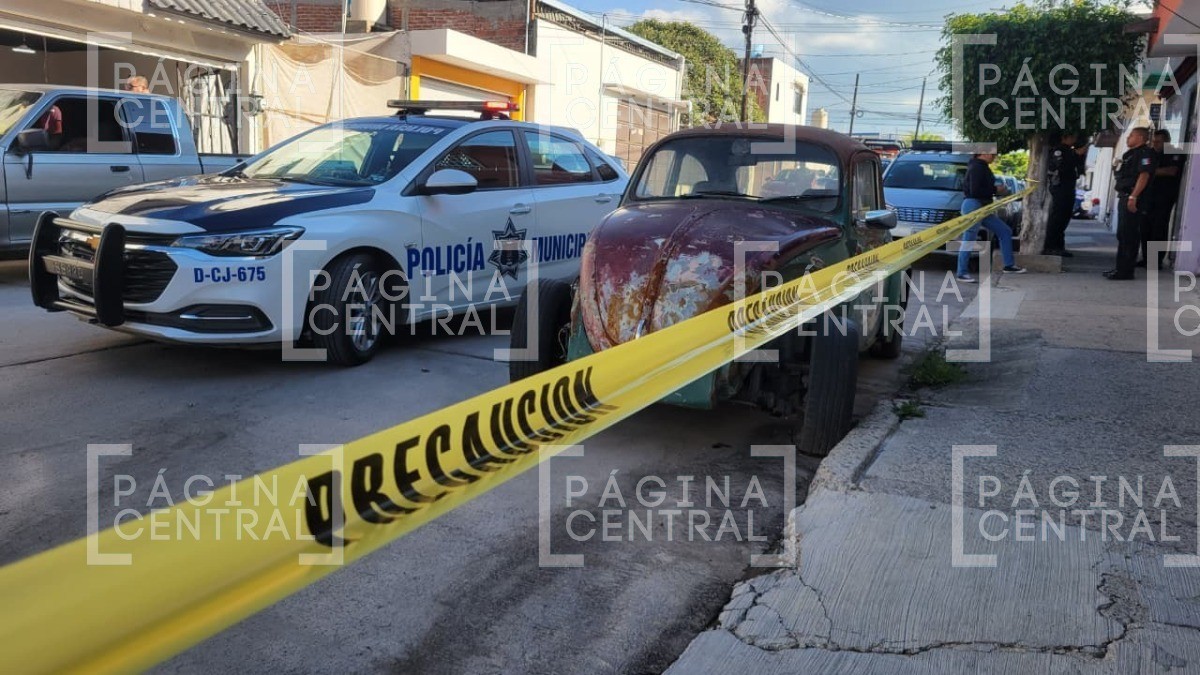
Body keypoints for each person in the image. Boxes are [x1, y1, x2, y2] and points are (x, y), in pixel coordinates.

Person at [956, 151, 1026, 282]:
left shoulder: (981, 167)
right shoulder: (977, 167)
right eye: (992, 154)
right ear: (982, 153)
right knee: (969, 237)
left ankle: (1009, 265)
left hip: (982, 205)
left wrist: (996, 190)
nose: (994, 157)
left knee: (1005, 231)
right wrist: (996, 190)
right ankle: (962, 272)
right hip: (974, 205)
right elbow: (975, 190)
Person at [1106, 127, 1157, 280]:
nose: (1128, 138)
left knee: (1129, 234)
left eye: (1132, 136)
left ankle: (1125, 271)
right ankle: (1120, 268)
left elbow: (1144, 176)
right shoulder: (1130, 154)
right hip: (1125, 196)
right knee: (1122, 234)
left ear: (1141, 138)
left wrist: (1133, 197)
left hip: (1133, 198)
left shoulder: (1145, 153)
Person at [1139, 129, 1186, 269]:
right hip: (1149, 196)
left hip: (1165, 197)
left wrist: (1149, 171)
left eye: (1158, 142)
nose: (1155, 144)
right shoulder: (1151, 154)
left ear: (1167, 141)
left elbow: (1171, 171)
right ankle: (1146, 258)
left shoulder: (1175, 153)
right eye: (1154, 142)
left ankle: (1156, 261)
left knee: (1159, 229)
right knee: (1145, 228)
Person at [1043, 132, 1088, 257]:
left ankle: (1059, 246)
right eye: (1072, 136)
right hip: (1060, 187)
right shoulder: (1060, 150)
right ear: (1065, 137)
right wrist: (1077, 153)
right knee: (1057, 217)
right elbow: (1062, 166)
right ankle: (1050, 246)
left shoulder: (1069, 150)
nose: (1075, 139)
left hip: (1068, 187)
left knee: (1064, 217)